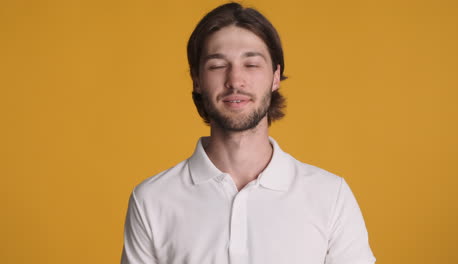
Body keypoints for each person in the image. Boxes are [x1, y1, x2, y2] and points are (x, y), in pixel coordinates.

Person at [121, 2, 376, 264]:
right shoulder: (151, 200)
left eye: (251, 64)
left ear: (275, 77)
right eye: (218, 65)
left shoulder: (330, 196)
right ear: (197, 79)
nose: (235, 80)